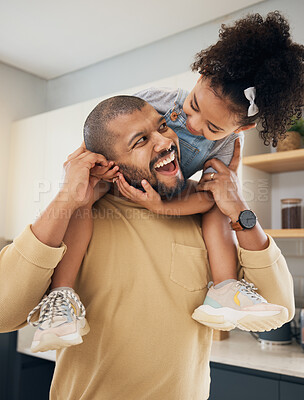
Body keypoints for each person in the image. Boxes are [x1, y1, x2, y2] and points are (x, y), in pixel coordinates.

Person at [26, 11, 303, 350]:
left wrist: (166, 206)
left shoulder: (228, 147)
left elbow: (210, 199)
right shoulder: (156, 100)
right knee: (85, 202)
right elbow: (100, 136)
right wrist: (73, 185)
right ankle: (62, 298)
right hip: (117, 182)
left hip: (179, 196)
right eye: (192, 106)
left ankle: (225, 287)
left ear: (241, 129)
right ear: (199, 76)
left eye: (213, 128)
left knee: (220, 195)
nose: (195, 124)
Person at [0, 95, 295, 399]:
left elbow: (278, 309)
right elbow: (3, 314)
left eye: (163, 126)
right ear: (109, 163)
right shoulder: (78, 219)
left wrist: (239, 211)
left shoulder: (205, 218)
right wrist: (66, 197)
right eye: (141, 141)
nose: (165, 141)